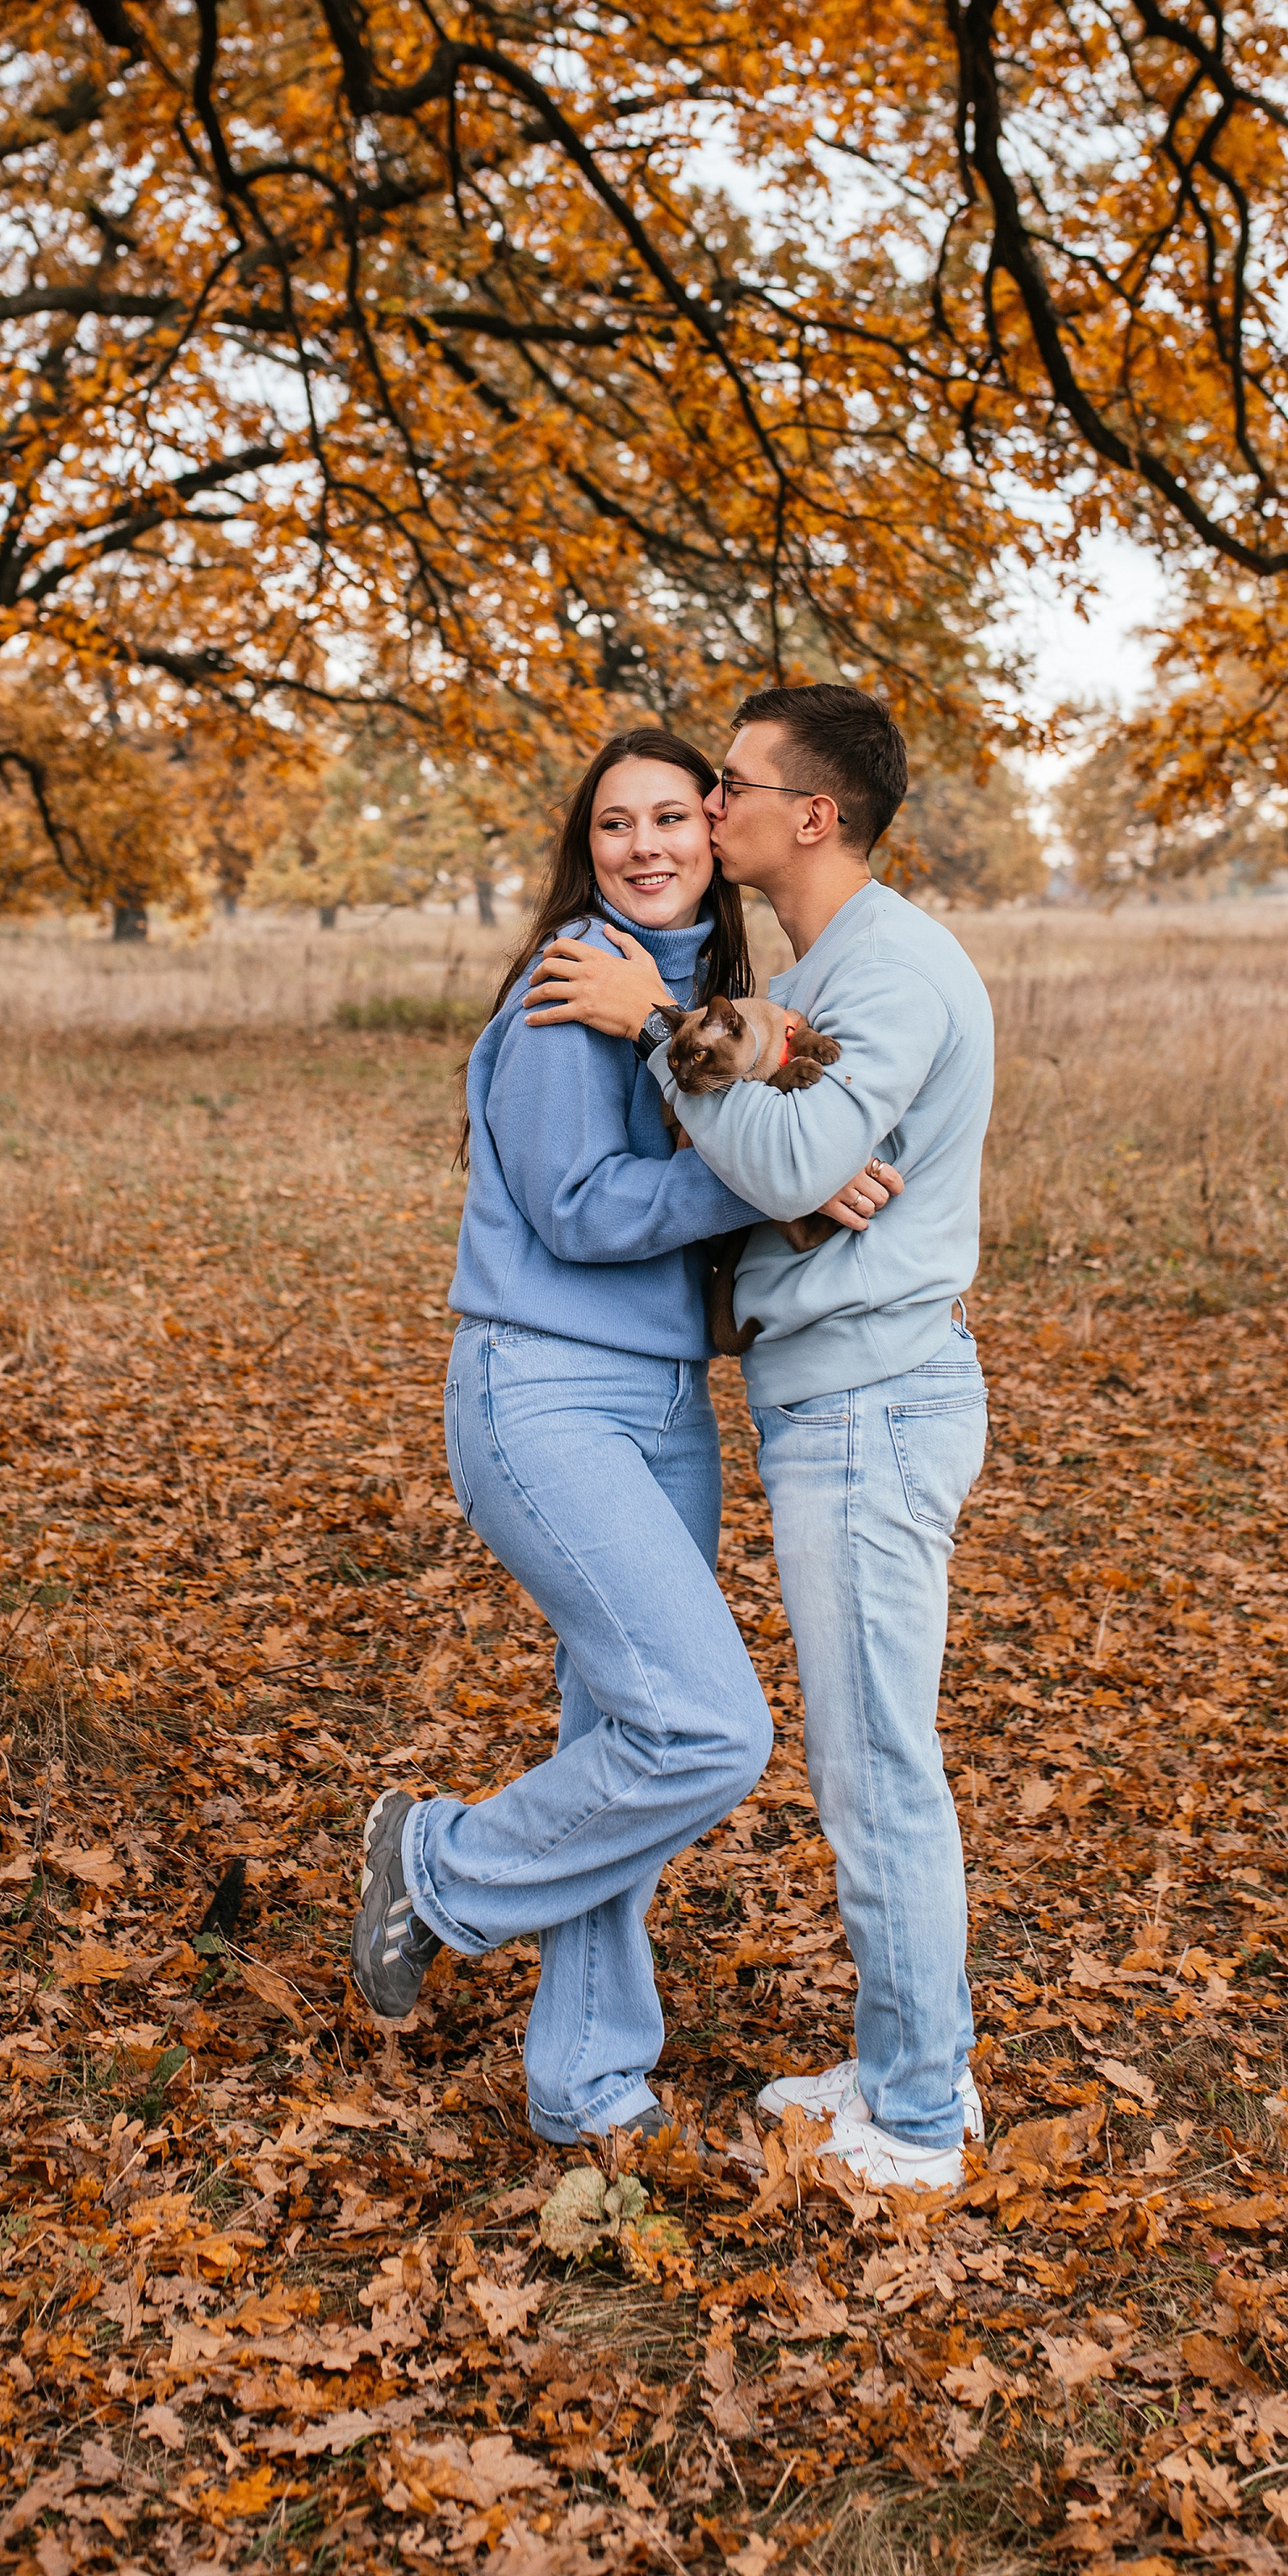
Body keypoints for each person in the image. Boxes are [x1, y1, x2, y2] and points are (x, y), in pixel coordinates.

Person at [346, 727, 897, 2143]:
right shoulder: (568, 991)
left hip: (665, 1406)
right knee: (709, 1731)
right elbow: (586, 1212)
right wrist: (768, 1181)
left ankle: (586, 2087)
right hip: (543, 1393)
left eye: (671, 817)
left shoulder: (686, 1000)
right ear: (582, 854)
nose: (644, 846)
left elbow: (724, 1168)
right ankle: (442, 1863)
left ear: (719, 835)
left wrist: (791, 1182)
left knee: (623, 1729)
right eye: (613, 826)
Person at [522, 684, 993, 2191]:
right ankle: (908, 2059)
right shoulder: (830, 959)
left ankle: (917, 2122)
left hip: (870, 1406)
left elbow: (790, 1148)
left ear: (815, 816)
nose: (702, 811)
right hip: (829, 1399)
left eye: (727, 787)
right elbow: (791, 1169)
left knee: (872, 1771)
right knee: (869, 1761)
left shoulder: (894, 967)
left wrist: (656, 1020)